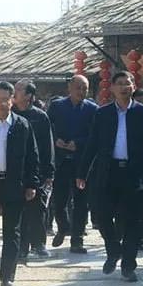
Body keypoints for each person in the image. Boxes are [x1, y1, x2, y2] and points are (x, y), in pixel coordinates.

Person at [77, 71, 143, 282]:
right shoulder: (103, 114)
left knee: (134, 222)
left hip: (135, 174)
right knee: (102, 216)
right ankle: (113, 250)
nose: (123, 87)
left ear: (133, 86)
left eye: (127, 83)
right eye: (119, 84)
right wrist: (82, 172)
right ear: (112, 88)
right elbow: (92, 143)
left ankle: (129, 265)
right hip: (108, 172)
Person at [0, 81, 41, 286]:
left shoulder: (22, 125)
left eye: (5, 99)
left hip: (14, 183)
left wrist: (32, 183)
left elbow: (33, 156)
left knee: (12, 231)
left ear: (12, 100)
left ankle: (8, 275)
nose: (1, 103)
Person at [47, 75, 98, 254]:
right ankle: (63, 227)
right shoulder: (57, 106)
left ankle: (77, 239)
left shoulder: (92, 109)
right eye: (78, 88)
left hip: (81, 161)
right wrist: (56, 140)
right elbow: (48, 128)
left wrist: (78, 143)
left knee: (81, 202)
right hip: (60, 160)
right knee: (59, 201)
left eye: (85, 89)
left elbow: (95, 135)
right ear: (70, 88)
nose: (81, 92)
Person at [13, 79, 55, 260]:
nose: (14, 93)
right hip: (16, 169)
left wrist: (49, 172)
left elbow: (48, 146)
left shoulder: (40, 116)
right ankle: (21, 247)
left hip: (37, 170)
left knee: (37, 209)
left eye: (18, 90)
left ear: (29, 95)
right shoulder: (11, 114)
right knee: (19, 211)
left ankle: (38, 244)